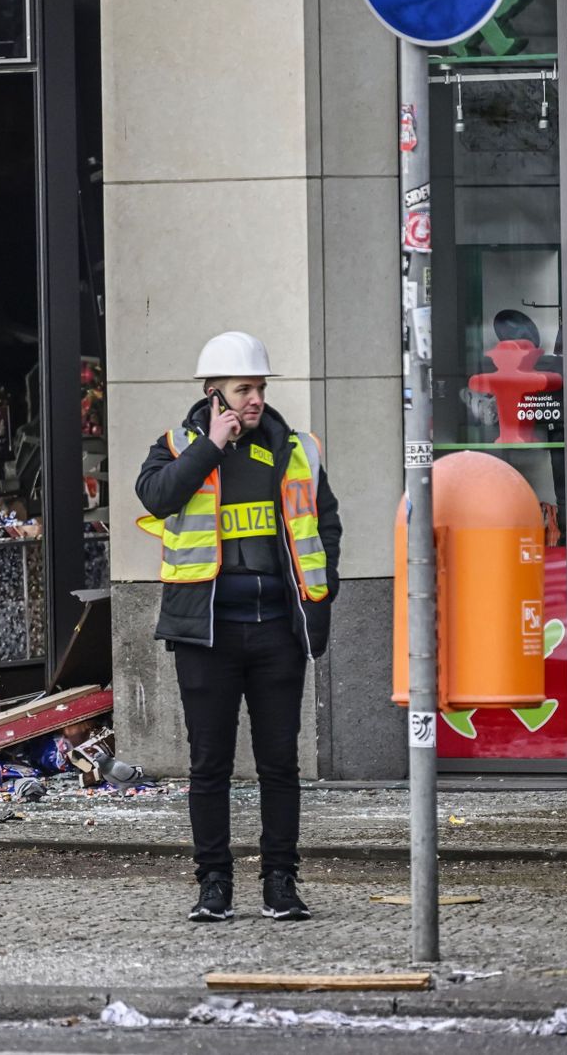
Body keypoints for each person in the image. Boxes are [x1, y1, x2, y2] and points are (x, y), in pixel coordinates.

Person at [134, 331, 342, 923]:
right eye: (243, 389)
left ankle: (280, 881)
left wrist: (323, 594)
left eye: (260, 387)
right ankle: (214, 884)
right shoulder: (177, 446)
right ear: (214, 394)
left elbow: (326, 526)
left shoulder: (295, 448)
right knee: (210, 766)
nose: (255, 398)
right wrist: (211, 446)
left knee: (280, 764)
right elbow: (156, 498)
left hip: (278, 629)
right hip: (207, 634)